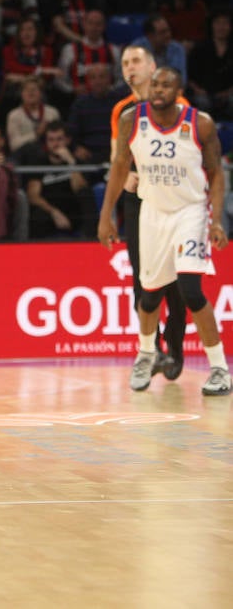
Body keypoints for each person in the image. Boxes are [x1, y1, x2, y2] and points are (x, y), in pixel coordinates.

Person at [98, 67, 230, 396]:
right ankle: (146, 353)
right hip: (152, 212)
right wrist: (106, 215)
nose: (158, 89)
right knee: (150, 293)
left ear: (179, 90)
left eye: (165, 85)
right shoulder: (131, 119)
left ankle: (220, 370)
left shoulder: (200, 124)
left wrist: (216, 220)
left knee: (190, 289)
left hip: (190, 212)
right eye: (154, 84)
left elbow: (216, 174)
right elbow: (118, 169)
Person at [109, 45, 188, 380]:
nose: (131, 68)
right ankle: (150, 350)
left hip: (172, 201)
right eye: (125, 63)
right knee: (143, 279)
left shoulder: (179, 105)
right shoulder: (121, 110)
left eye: (137, 61)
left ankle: (176, 349)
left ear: (153, 66)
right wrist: (125, 176)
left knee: (179, 283)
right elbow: (117, 156)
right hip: (138, 201)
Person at [26, 121, 97, 239]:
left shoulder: (76, 162)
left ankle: (90, 241)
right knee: (39, 214)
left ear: (68, 140)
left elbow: (80, 188)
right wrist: (54, 212)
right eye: (51, 140)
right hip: (51, 213)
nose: (55, 144)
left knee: (86, 195)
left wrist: (71, 162)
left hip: (74, 213)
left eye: (59, 139)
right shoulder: (39, 162)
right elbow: (33, 195)